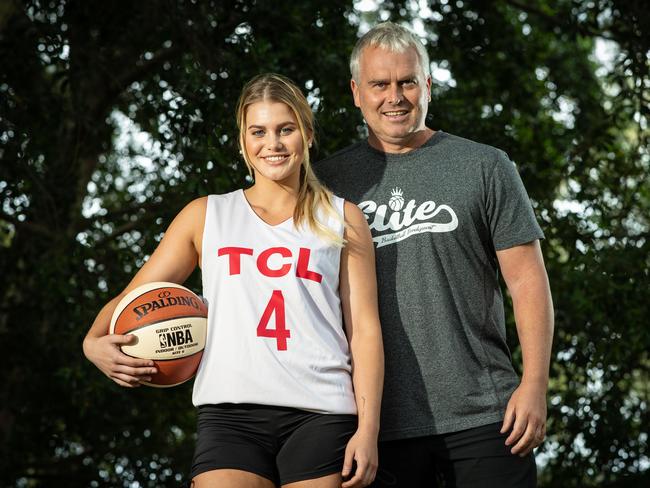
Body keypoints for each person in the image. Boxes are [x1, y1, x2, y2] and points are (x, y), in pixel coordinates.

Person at [83, 73, 384, 488]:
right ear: (242, 141)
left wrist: (368, 431)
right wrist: (92, 341)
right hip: (229, 413)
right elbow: (133, 296)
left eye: (286, 129)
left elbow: (365, 330)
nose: (273, 144)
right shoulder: (206, 215)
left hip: (323, 411)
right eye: (258, 131)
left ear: (307, 134)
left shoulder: (343, 217)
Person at [315, 22, 554, 487]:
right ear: (356, 92)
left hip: (488, 415)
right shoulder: (327, 185)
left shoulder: (485, 166)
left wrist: (534, 385)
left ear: (428, 84)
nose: (395, 96)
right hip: (374, 425)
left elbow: (527, 281)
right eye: (379, 84)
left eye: (407, 81)